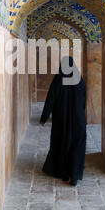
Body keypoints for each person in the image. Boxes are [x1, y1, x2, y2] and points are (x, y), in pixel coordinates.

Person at [40, 55, 86, 186]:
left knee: (62, 143)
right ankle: (75, 174)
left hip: (62, 120)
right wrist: (81, 114)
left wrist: (44, 117)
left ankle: (63, 173)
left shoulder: (58, 79)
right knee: (77, 145)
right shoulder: (79, 80)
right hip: (78, 120)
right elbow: (84, 99)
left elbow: (50, 99)